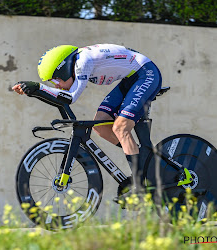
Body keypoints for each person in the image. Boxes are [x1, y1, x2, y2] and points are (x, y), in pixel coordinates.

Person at [12, 44, 162, 196]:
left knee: (120, 128)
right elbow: (61, 99)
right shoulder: (79, 62)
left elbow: (70, 97)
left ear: (64, 69)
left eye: (56, 79)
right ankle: (141, 157)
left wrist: (38, 87)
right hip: (131, 79)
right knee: (100, 126)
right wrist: (34, 92)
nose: (56, 85)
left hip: (146, 74)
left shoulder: (83, 62)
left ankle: (141, 184)